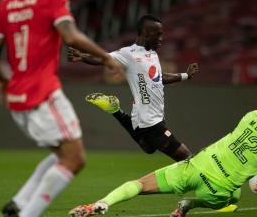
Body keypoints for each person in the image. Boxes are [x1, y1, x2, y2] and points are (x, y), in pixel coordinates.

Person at [0, 0, 121, 217]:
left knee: (62, 155)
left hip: (17, 97)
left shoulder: (6, 3)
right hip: (42, 93)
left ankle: (18, 204)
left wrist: (2, 80)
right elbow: (70, 36)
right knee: (75, 159)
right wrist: (105, 57)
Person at [68, 97, 257, 217]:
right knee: (234, 197)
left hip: (195, 166)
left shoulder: (252, 115)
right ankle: (189, 204)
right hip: (216, 189)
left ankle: (100, 204)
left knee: (139, 184)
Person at [68, 14, 200, 161]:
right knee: (187, 158)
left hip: (154, 117)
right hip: (149, 122)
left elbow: (159, 77)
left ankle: (116, 111)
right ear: (147, 33)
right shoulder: (129, 54)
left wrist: (185, 75)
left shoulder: (152, 54)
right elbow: (103, 58)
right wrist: (82, 56)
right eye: (159, 34)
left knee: (148, 148)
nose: (162, 38)